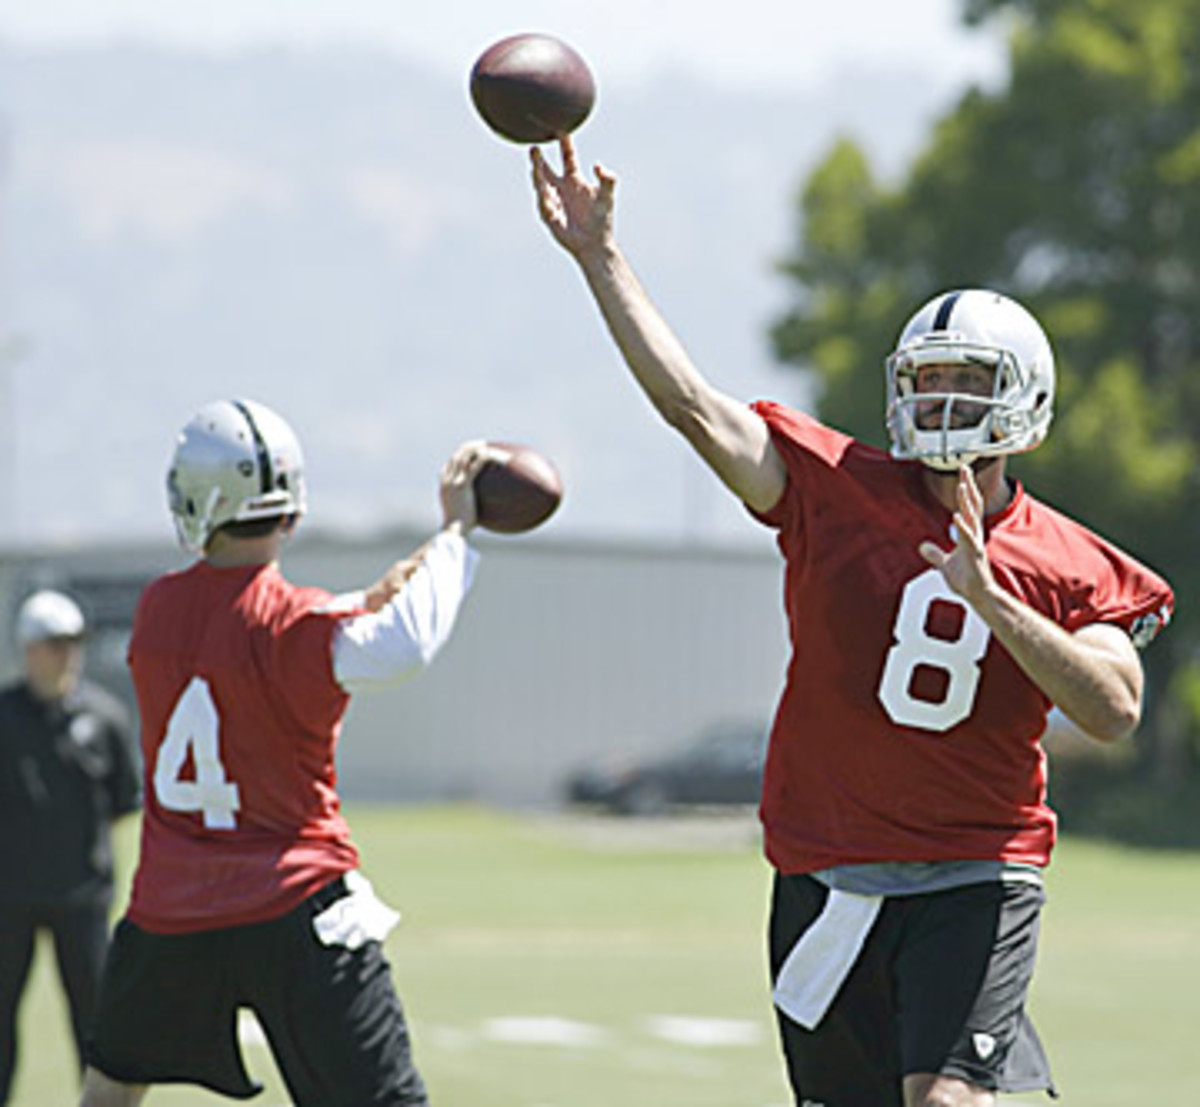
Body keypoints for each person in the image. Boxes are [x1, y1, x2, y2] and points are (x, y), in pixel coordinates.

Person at [529, 137, 1174, 1106]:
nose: (943, 401)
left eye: (969, 383)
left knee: (945, 1100)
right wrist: (599, 257)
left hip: (975, 873)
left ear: (1025, 407)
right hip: (826, 871)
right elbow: (691, 408)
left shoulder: (1071, 559)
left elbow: (1115, 707)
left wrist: (1001, 607)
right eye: (929, 380)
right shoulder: (834, 487)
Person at [80, 398, 491, 1107]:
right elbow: (395, 647)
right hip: (294, 899)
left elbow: (240, 627)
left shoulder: (156, 611)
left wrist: (365, 596)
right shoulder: (302, 625)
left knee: (110, 1092)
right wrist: (455, 532)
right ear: (293, 508)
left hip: (170, 908)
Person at [0, 589, 140, 1103]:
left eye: (71, 643)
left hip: (82, 898)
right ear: (26, 649)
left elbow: (125, 801)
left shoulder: (105, 719)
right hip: (7, 898)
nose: (64, 655)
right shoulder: (3, 716)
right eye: (52, 644)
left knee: (93, 1023)